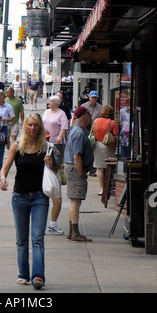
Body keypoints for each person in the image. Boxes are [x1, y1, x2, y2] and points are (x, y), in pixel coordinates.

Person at [0, 113, 58, 289]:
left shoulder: (46, 147)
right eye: (30, 125)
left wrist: (52, 163)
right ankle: (23, 274)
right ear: (25, 126)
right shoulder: (17, 147)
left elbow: (57, 170)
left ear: (40, 127)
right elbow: (5, 168)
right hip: (20, 197)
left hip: (40, 197)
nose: (32, 128)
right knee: (21, 239)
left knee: (38, 238)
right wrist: (2, 179)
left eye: (36, 125)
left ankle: (38, 276)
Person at [64, 106, 94, 242]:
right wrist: (81, 172)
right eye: (89, 114)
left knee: (74, 201)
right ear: (84, 117)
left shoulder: (77, 130)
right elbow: (77, 156)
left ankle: (72, 232)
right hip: (75, 169)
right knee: (75, 201)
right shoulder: (79, 133)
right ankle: (75, 233)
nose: (91, 117)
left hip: (72, 168)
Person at [42, 95, 68, 235]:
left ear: (56, 103)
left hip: (56, 143)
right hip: (46, 142)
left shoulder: (61, 113)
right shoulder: (46, 112)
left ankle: (52, 224)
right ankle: (51, 224)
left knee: (55, 162)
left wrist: (59, 136)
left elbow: (64, 126)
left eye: (51, 102)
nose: (49, 103)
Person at [91, 105, 118, 196]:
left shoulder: (95, 121)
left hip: (97, 146)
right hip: (108, 146)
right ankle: (109, 188)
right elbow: (116, 136)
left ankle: (102, 189)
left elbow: (92, 133)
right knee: (110, 167)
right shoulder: (112, 123)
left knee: (100, 168)